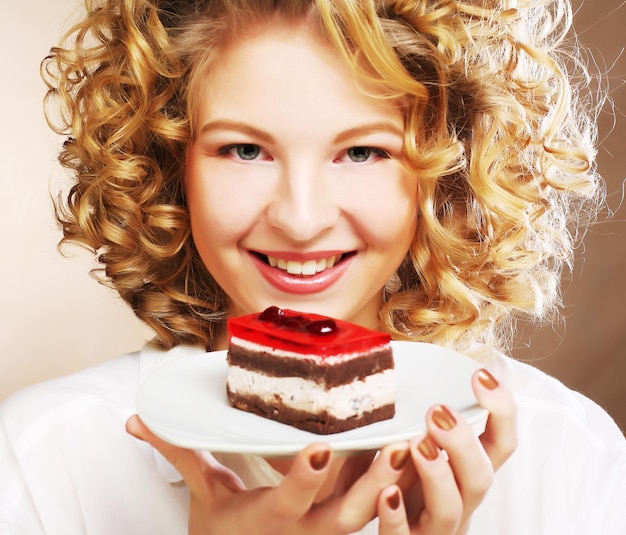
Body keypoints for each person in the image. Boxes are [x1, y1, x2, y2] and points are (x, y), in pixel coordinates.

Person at [1, 0, 624, 533]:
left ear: (447, 170)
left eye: (361, 152)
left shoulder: (570, 458)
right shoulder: (41, 460)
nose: (300, 220)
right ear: (169, 165)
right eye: (244, 150)